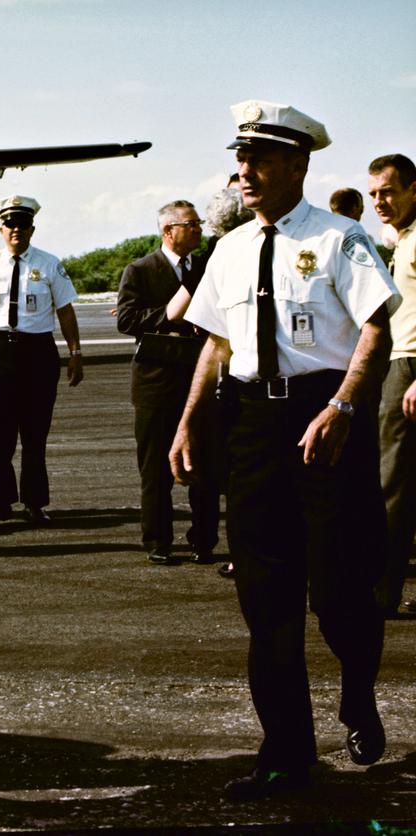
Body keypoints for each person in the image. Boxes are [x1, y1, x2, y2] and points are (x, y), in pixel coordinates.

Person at [169, 101, 399, 802]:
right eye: (241, 159)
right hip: (251, 428)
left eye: (260, 159)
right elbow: (215, 341)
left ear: (297, 164)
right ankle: (286, 755)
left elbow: (375, 330)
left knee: (337, 595)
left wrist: (343, 405)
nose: (245, 172)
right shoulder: (230, 248)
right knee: (265, 603)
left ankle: (357, 694)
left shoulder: (340, 238)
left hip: (323, 422)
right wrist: (186, 423)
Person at [0, 195, 83, 530]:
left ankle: (35, 503)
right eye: (10, 224)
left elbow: (66, 311)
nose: (17, 230)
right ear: (1, 229)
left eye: (22, 224)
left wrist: (75, 353)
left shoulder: (50, 264)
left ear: (32, 228)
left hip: (37, 353)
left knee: (34, 432)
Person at [117, 201, 220, 565]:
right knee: (155, 467)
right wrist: (172, 318)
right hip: (156, 382)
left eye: (199, 223)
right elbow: (127, 319)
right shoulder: (140, 269)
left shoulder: (208, 267)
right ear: (168, 231)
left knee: (205, 464)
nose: (198, 230)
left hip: (200, 377)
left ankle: (204, 540)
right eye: (190, 224)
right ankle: (158, 540)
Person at [166, 187, 254, 580]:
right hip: (253, 373)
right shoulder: (254, 248)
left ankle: (206, 541)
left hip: (217, 369)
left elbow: (175, 312)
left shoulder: (210, 260)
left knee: (211, 463)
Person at [367, 153, 416, 616]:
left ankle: (381, 594)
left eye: (389, 192)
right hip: (403, 365)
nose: (379, 201)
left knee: (393, 484)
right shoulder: (405, 238)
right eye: (374, 194)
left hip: (409, 367)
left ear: (413, 190)